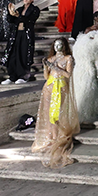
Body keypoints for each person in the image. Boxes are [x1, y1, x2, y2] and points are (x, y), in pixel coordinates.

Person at [31, 38, 80, 168]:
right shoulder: (51, 58)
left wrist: (55, 68)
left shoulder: (68, 58)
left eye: (60, 44)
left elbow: (68, 75)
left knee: (58, 111)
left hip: (61, 86)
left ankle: (59, 135)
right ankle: (51, 136)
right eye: (56, 44)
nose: (58, 46)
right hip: (49, 87)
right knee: (48, 113)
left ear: (64, 46)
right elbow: (46, 77)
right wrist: (46, 67)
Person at [3, 0, 40, 84]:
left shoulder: (35, 10)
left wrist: (17, 16)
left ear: (32, 0)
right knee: (12, 54)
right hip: (16, 34)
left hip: (26, 34)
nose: (26, 0)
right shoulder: (19, 9)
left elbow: (30, 20)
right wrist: (10, 13)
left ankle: (23, 76)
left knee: (23, 54)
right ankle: (12, 76)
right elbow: (11, 21)